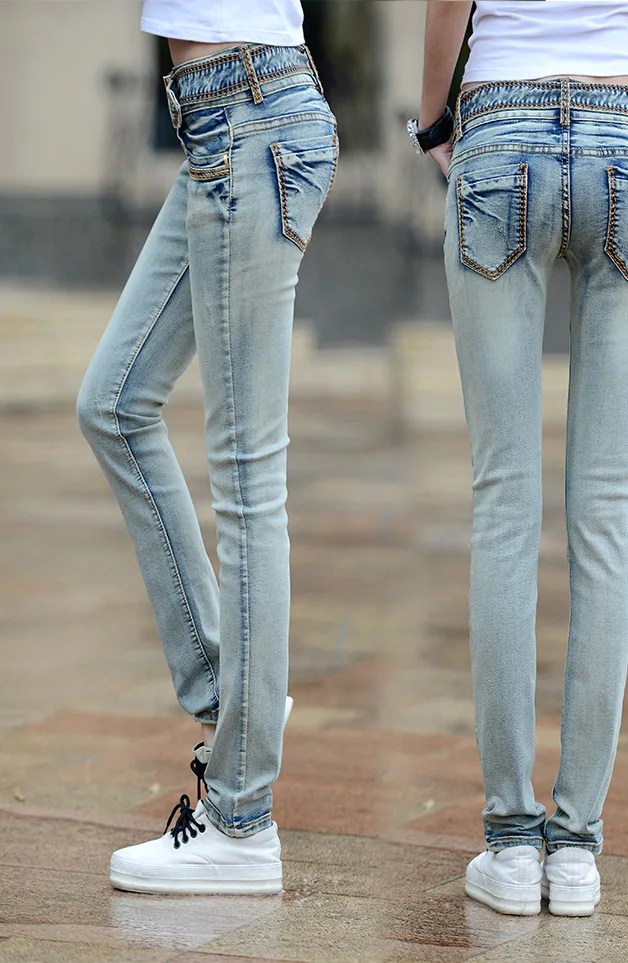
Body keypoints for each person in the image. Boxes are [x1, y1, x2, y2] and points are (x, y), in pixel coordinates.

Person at [412, 0, 628, 917]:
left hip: (501, 123)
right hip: (626, 130)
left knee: (505, 502)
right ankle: (575, 850)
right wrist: (610, 54)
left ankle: (511, 845)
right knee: (605, 507)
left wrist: (432, 118)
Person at [77, 0, 337, 894]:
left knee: (248, 482)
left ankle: (241, 820)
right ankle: (237, 700)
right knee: (113, 403)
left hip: (250, 117)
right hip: (225, 121)